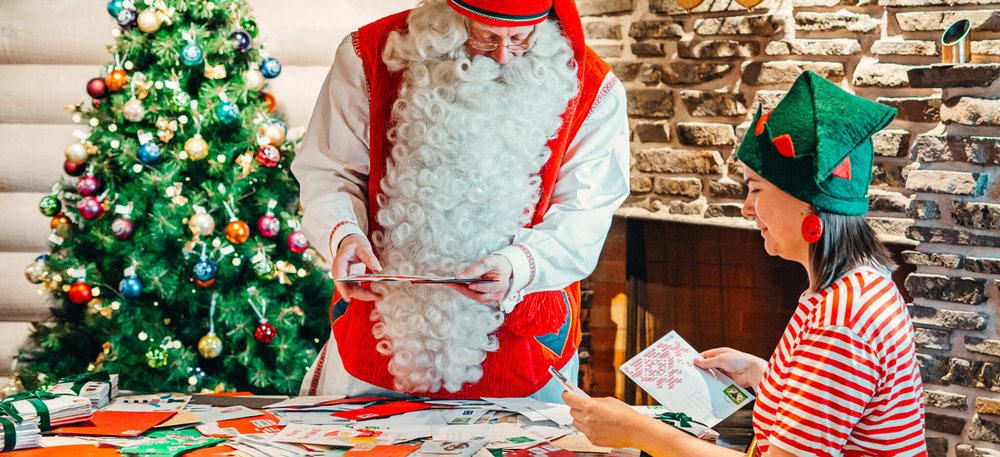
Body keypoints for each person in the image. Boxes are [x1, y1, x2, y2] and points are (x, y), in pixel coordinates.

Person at [564, 71, 927, 456]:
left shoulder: (842, 321)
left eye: (755, 189)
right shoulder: (858, 286)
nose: (747, 208)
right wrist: (762, 373)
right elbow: (836, 402)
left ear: (805, 202)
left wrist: (638, 431)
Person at [291, 0, 629, 401]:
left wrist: (517, 265)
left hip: (522, 359)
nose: (503, 56)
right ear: (452, 16)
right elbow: (329, 170)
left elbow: (585, 213)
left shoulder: (593, 86)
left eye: (521, 38)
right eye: (486, 37)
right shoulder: (371, 53)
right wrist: (343, 235)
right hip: (373, 348)